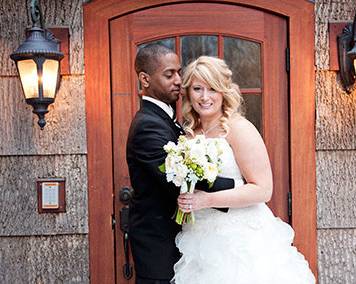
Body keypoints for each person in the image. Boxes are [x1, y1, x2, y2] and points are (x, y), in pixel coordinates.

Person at [173, 56, 316, 284]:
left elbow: (262, 190)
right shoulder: (189, 132)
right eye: (198, 89)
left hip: (240, 239)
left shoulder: (239, 129)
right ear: (189, 93)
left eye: (212, 88)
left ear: (223, 91)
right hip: (200, 237)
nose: (205, 97)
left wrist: (206, 201)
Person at [126, 45, 236, 284]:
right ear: (145, 79)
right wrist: (240, 187)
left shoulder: (166, 119)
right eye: (169, 74)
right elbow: (180, 180)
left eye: (179, 72)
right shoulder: (148, 126)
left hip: (182, 239)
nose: (178, 80)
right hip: (158, 246)